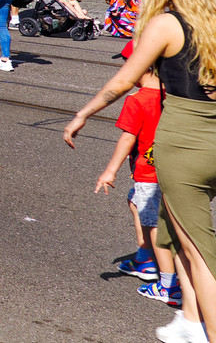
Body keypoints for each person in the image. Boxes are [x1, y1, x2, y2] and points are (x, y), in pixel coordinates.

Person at [63, 0, 216, 343]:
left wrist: (82, 114)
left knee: (200, 251)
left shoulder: (166, 24)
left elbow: (123, 81)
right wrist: (210, 73)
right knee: (173, 225)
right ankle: (189, 318)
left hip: (185, 146)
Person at [93, 59, 178, 307]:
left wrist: (110, 171)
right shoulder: (175, 94)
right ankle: (143, 256)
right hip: (175, 169)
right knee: (134, 201)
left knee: (154, 225)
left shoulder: (137, 100)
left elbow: (127, 138)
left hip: (149, 173)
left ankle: (168, 284)